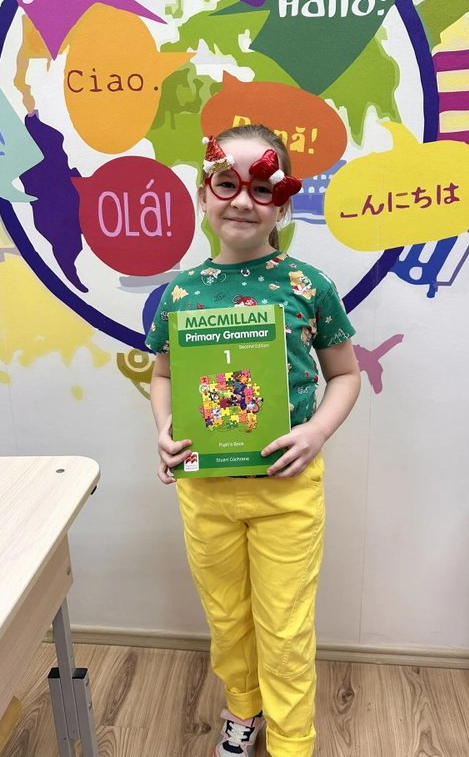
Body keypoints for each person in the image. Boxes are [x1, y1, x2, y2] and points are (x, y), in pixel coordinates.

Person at [146, 124, 361, 757]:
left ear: (283, 204)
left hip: (286, 492)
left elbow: (345, 375)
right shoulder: (179, 293)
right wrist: (163, 429)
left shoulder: (308, 286)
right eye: (227, 183)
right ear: (203, 193)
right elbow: (163, 374)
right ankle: (243, 708)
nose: (243, 200)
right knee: (227, 616)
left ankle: (292, 740)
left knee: (285, 625)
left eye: (263, 189)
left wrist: (317, 430)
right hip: (205, 491)